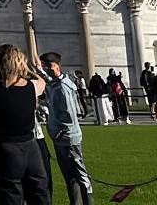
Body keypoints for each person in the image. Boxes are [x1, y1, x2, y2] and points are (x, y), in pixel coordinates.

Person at [0, 44, 50, 205]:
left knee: (10, 194)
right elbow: (42, 82)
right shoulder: (30, 87)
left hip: (7, 148)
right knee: (39, 192)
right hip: (31, 147)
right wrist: (31, 70)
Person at [39, 51, 93, 205]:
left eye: (50, 66)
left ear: (58, 66)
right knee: (70, 176)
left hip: (68, 138)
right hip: (61, 138)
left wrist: (61, 133)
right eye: (45, 67)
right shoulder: (57, 84)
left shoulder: (62, 87)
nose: (48, 69)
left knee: (80, 175)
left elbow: (68, 115)